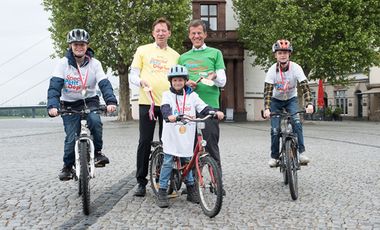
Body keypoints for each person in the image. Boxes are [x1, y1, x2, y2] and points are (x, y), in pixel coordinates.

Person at [47, 28, 118, 180]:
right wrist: (53, 106)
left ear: (87, 46)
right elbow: (55, 87)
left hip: (90, 100)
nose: (79, 47)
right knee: (71, 137)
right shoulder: (63, 64)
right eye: (76, 44)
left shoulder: (95, 64)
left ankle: (97, 153)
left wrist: (110, 101)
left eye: (82, 44)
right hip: (69, 103)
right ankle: (67, 166)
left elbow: (104, 84)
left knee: (95, 121)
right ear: (70, 46)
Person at [156, 65, 224, 208]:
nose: (177, 83)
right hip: (172, 135)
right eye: (174, 80)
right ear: (171, 82)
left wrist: (214, 112)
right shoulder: (167, 95)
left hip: (186, 134)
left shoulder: (192, 95)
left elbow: (202, 106)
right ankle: (162, 190)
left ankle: (192, 189)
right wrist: (169, 115)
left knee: (189, 160)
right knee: (168, 161)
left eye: (180, 80)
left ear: (185, 81)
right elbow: (165, 107)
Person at [129, 18, 180, 197]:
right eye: (157, 30)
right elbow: (132, 75)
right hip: (147, 103)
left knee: (167, 142)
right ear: (153, 33)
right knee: (144, 141)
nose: (160, 33)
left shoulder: (175, 55)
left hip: (168, 104)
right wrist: (140, 81)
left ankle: (162, 179)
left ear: (169, 33)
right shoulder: (142, 50)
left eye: (164, 30)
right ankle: (141, 182)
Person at [178, 19, 226, 178]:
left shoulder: (215, 53)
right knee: (190, 146)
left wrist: (214, 76)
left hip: (210, 105)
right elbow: (177, 83)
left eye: (199, 33)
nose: (196, 36)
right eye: (193, 33)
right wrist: (186, 84)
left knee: (211, 145)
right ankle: (192, 184)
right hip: (188, 106)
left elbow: (223, 81)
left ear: (205, 34)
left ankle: (216, 181)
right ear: (189, 35)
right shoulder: (183, 57)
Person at [263, 39, 314, 167]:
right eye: (280, 53)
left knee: (297, 123)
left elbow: (305, 87)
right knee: (275, 130)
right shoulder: (271, 71)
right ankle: (274, 157)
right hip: (276, 101)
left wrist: (309, 103)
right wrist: (267, 108)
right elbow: (268, 92)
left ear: (289, 54)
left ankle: (301, 153)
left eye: (285, 52)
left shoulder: (296, 68)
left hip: (291, 99)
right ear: (275, 55)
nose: (283, 55)